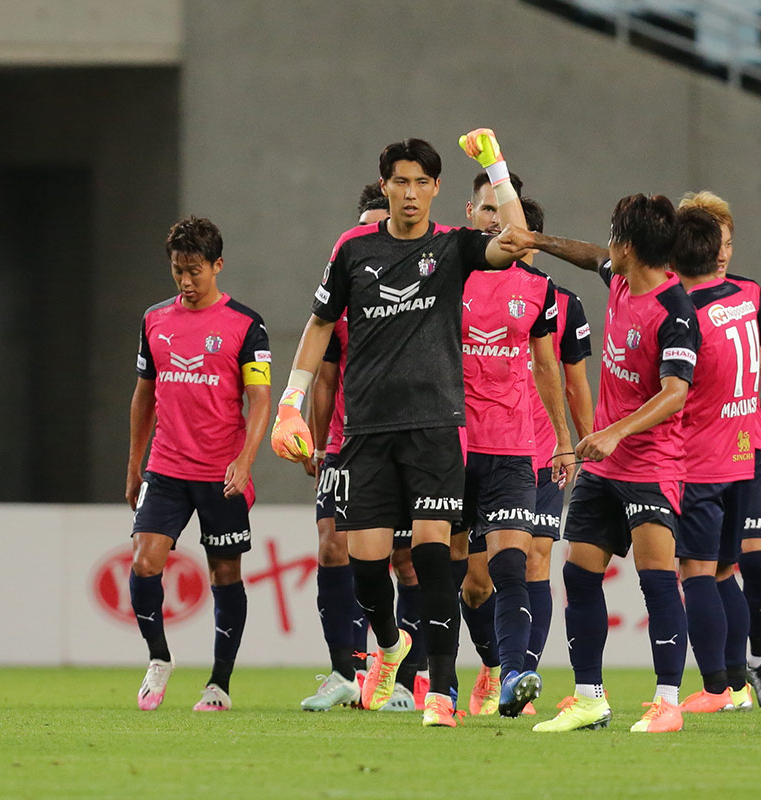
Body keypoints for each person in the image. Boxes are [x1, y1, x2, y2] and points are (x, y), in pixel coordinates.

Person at [270, 131, 529, 728]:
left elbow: (516, 239)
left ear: (437, 189)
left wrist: (495, 168)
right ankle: (389, 644)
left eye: (421, 183)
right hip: (365, 431)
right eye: (400, 182)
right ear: (384, 186)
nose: (410, 194)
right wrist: (290, 401)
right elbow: (318, 325)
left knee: (436, 560)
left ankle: (441, 690)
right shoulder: (353, 249)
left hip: (436, 426)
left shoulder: (455, 246)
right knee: (366, 565)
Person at [498, 194, 701, 734]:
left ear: (630, 245)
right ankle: (590, 698)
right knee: (578, 575)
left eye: (614, 231)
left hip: (652, 465)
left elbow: (676, 391)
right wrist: (537, 240)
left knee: (657, 581)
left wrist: (615, 431)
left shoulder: (675, 310)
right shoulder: (619, 277)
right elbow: (590, 256)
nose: (607, 240)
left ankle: (667, 703)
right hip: (606, 467)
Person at [126, 215, 271, 712]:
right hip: (166, 467)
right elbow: (143, 397)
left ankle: (219, 685)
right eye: (177, 271)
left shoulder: (246, 325)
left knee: (224, 572)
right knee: (144, 563)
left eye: (195, 271)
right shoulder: (154, 320)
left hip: (220, 473)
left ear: (217, 266)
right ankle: (159, 659)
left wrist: (245, 461)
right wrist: (133, 466)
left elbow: (261, 400)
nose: (186, 282)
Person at [665, 206, 761, 714]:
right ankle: (741, 681)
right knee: (723, 573)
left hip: (705, 457)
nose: (724, 252)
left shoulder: (686, 311)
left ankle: (723, 685)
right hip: (739, 454)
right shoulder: (740, 299)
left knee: (702, 572)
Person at [451, 184, 575, 718]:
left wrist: (568, 441)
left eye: (504, 214)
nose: (495, 222)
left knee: (516, 563)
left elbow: (553, 370)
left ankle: (516, 672)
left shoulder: (541, 289)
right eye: (487, 210)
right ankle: (470, 670)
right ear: (469, 214)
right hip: (450, 446)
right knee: (465, 582)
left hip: (514, 446)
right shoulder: (444, 273)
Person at [297, 185, 391, 711]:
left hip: (401, 440)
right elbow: (327, 380)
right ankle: (343, 670)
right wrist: (316, 442)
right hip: (343, 444)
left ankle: (401, 671)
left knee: (402, 558)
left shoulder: (415, 292)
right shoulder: (339, 301)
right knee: (332, 545)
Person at [522, 199, 594, 689]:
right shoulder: (461, 286)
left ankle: (518, 674)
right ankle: (492, 661)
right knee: (476, 577)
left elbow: (575, 383)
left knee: (537, 560)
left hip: (546, 450)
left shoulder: (564, 302)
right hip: (479, 446)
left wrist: (583, 446)